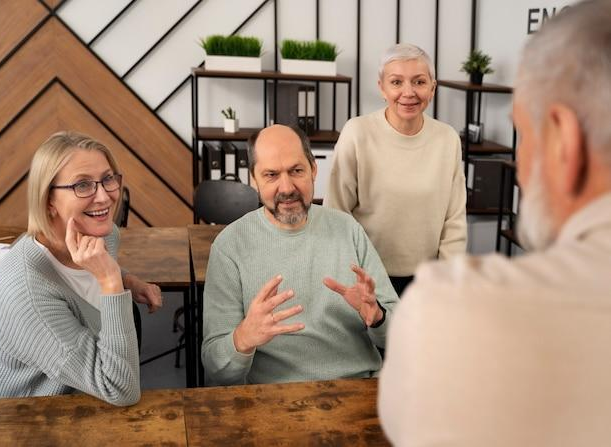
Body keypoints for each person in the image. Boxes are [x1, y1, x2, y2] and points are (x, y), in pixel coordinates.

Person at [379, 1, 611, 445]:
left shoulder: (446, 312)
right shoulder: (360, 134)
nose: (520, 165)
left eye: (523, 133)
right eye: (397, 81)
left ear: (564, 139)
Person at [201, 124, 399, 385]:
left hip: (357, 387)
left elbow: (399, 333)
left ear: (313, 170)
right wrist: (243, 339)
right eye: (271, 175)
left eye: (296, 171)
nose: (287, 187)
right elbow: (217, 368)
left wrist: (377, 318)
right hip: (274, 399)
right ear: (253, 179)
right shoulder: (229, 247)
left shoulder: (347, 229)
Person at [0, 131, 162, 405]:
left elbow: (88, 272)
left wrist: (129, 280)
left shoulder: (101, 235)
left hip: (81, 392)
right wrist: (112, 282)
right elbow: (120, 390)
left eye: (107, 179)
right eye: (82, 185)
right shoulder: (27, 296)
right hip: (24, 418)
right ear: (48, 201)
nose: (103, 197)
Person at [324, 43, 467, 296]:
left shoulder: (448, 139)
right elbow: (336, 213)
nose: (408, 92)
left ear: (432, 88)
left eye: (419, 82)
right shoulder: (357, 132)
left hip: (428, 281)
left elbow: (454, 219)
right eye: (396, 82)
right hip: (366, 277)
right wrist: (352, 275)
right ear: (382, 87)